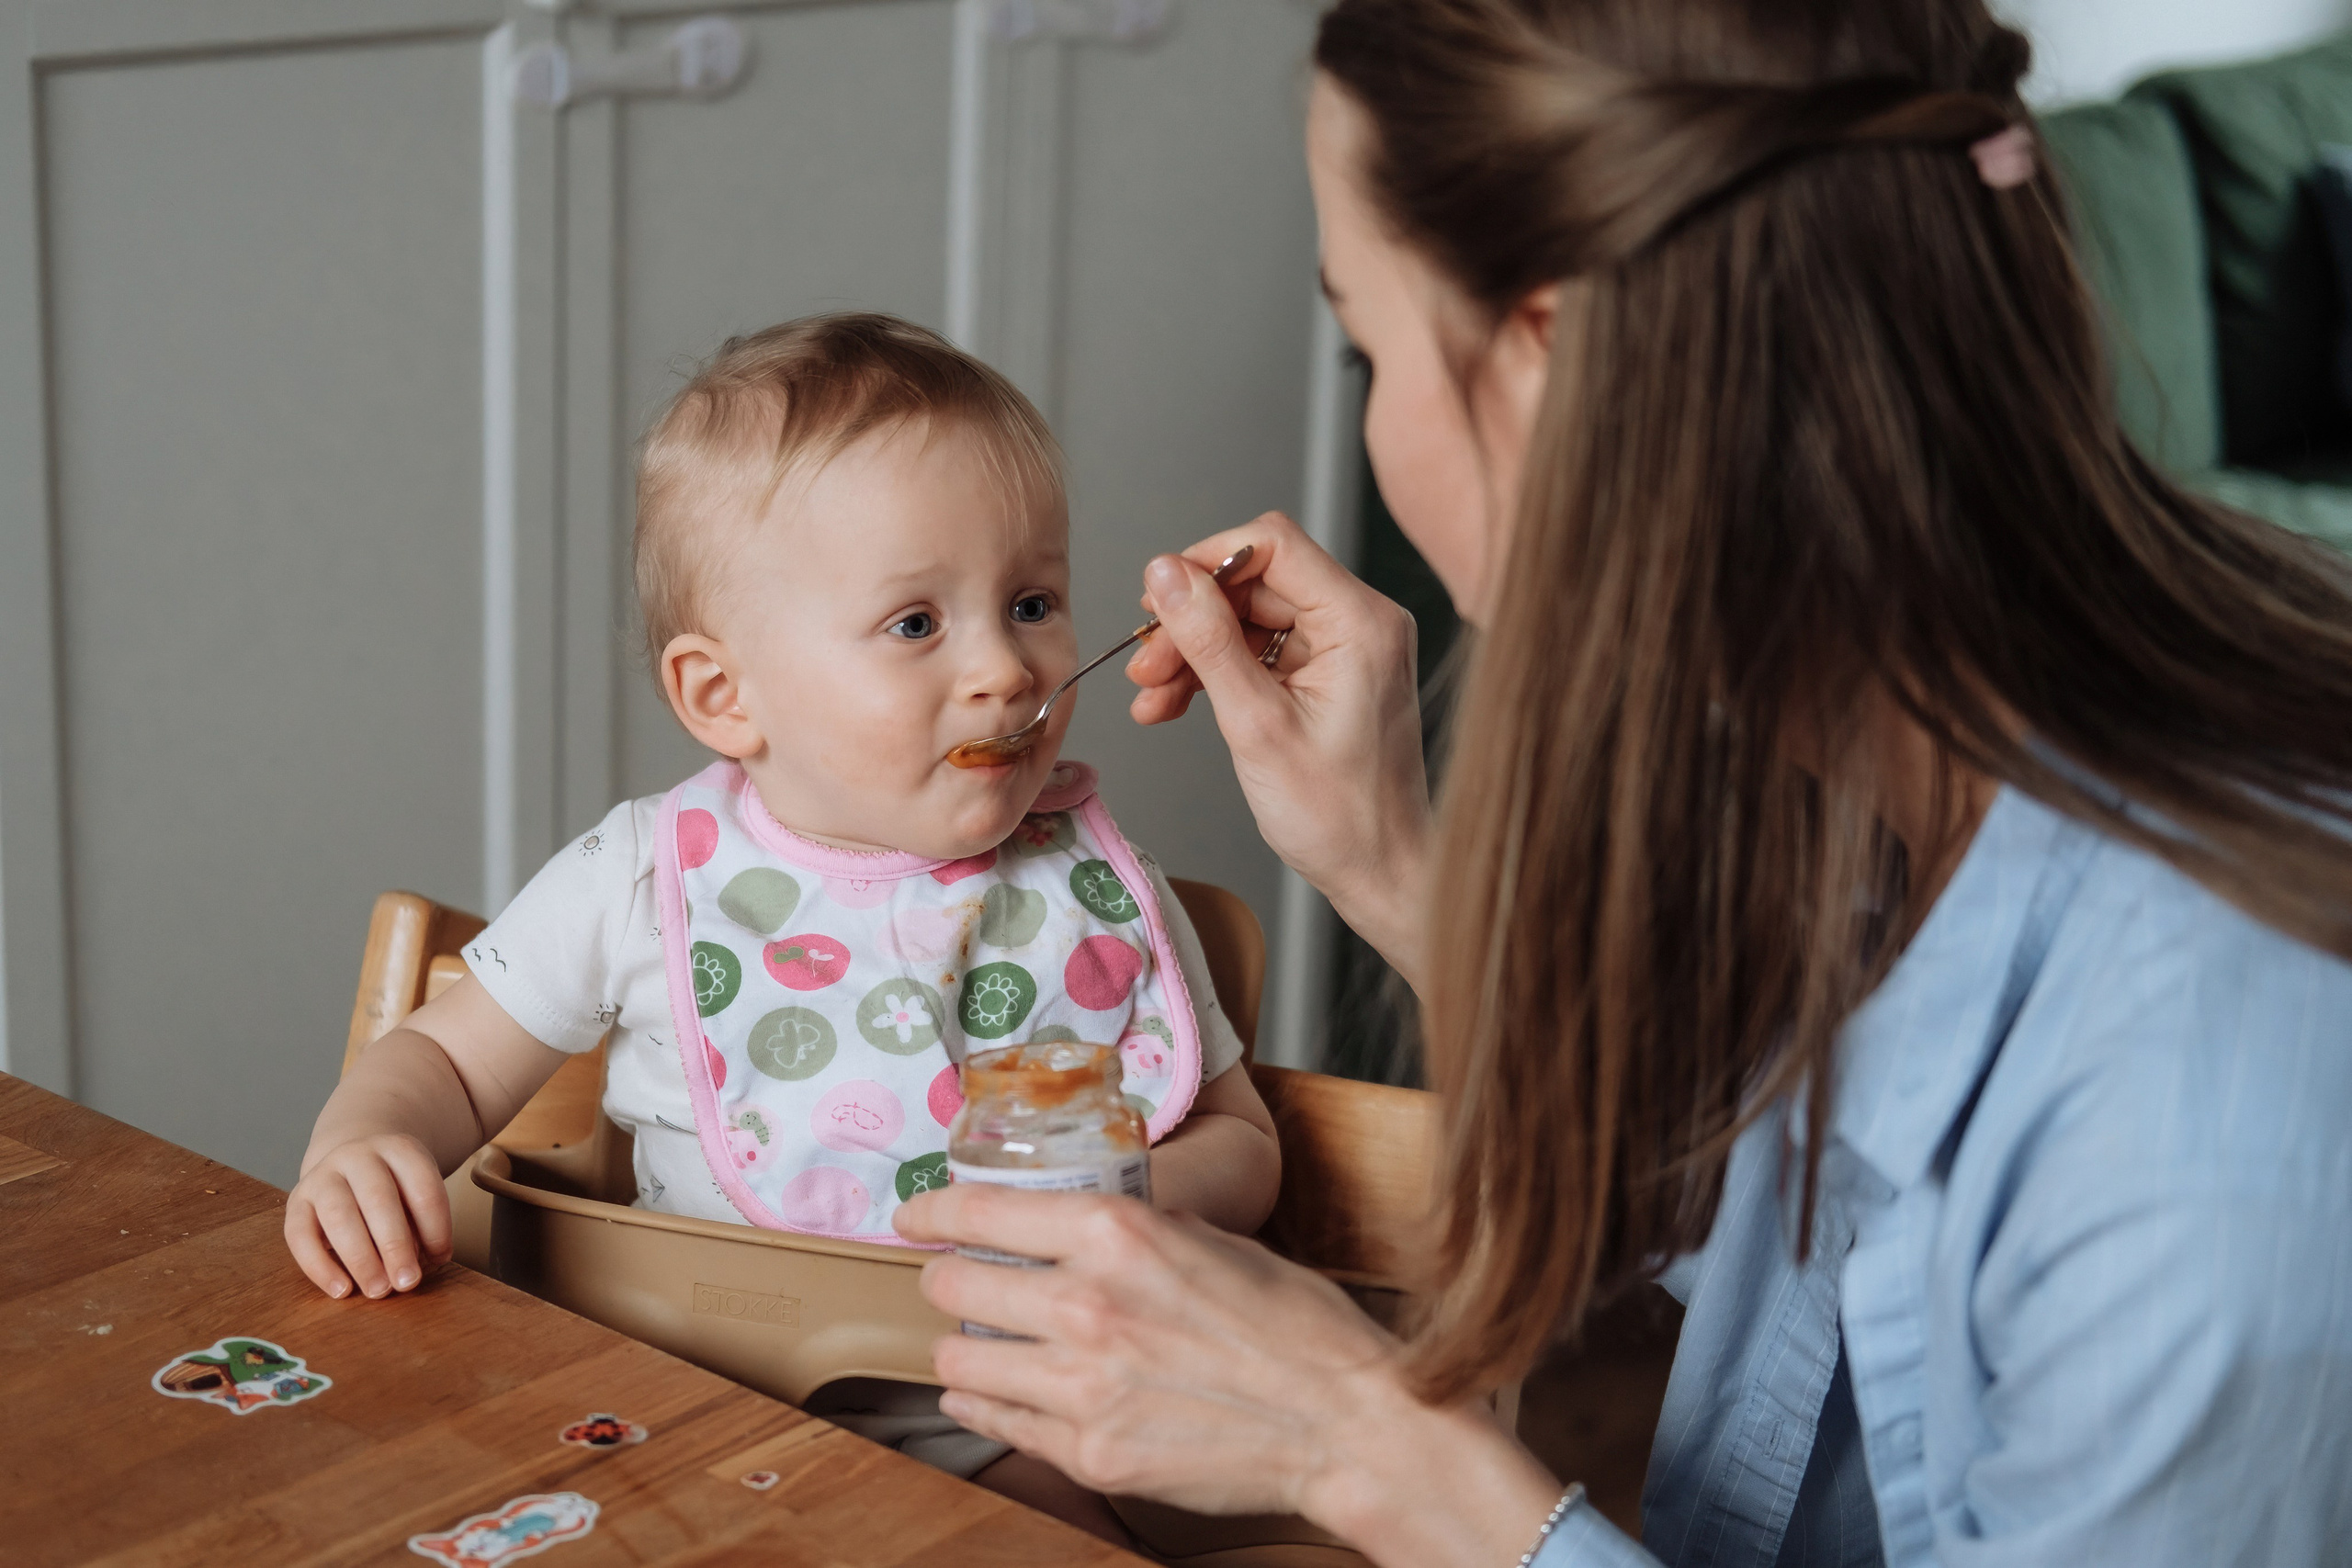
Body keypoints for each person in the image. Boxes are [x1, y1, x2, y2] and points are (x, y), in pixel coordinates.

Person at [893, 2, 2352, 1562]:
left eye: (1370, 346)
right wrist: (1388, 856)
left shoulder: (2207, 1107)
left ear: (1548, 359)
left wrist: (1355, 1439)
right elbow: (1789, 1205)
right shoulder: (1910, 760)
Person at [284, 313, 1279, 1544]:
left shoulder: (1098, 892)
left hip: (990, 1426)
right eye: (916, 624)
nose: (1007, 669)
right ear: (724, 695)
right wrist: (365, 1142)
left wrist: (1128, 1205)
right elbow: (441, 1059)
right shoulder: (641, 875)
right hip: (657, 1412)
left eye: (1033, 602)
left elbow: (1245, 1140)